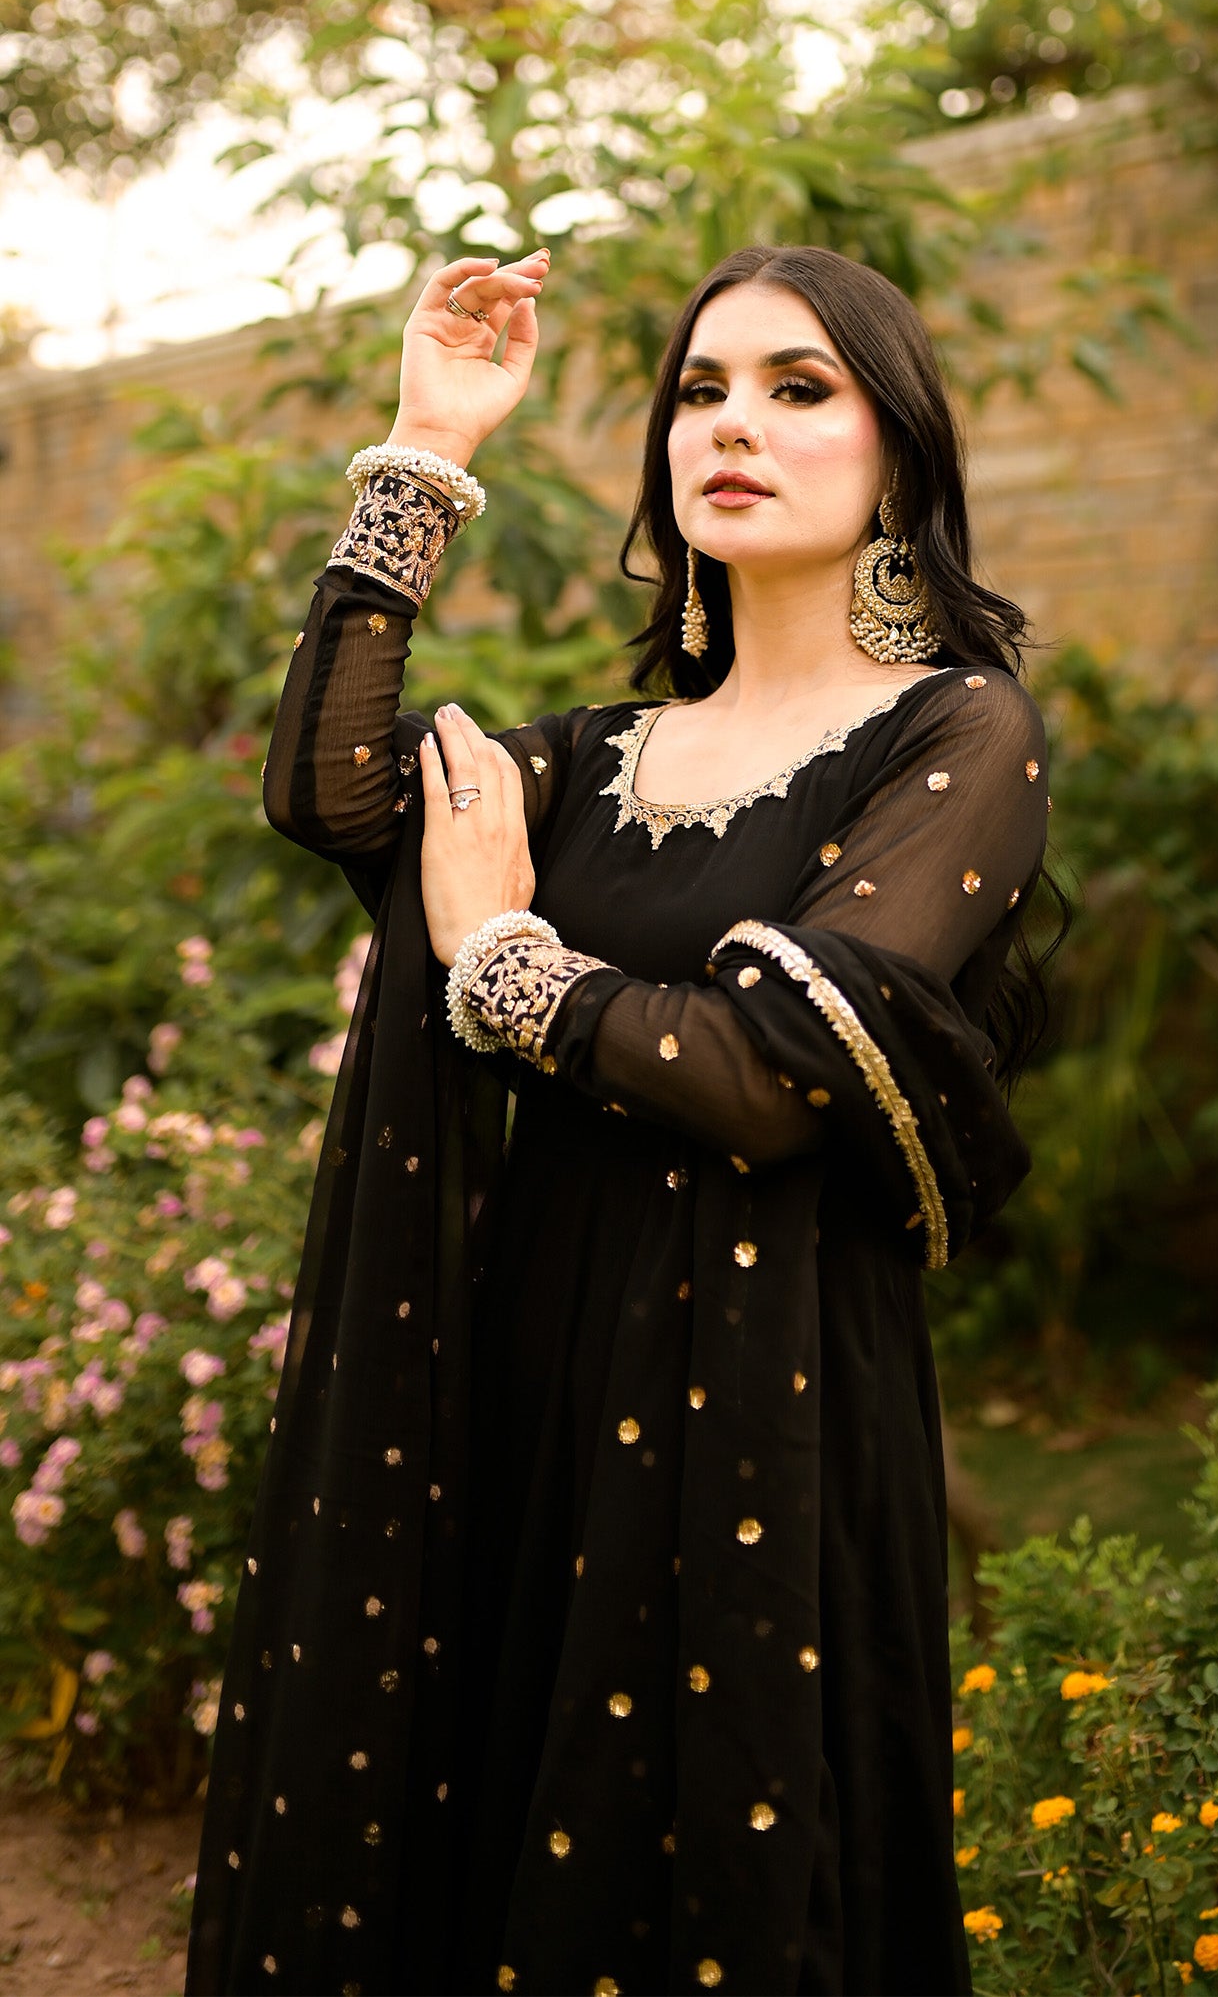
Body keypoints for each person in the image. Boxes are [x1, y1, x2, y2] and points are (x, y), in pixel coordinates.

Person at [186, 241, 1053, 1997]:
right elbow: (331, 790)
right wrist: (428, 448)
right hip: (538, 1358)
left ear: (897, 456)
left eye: (797, 388)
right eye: (699, 390)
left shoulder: (954, 734)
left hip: (768, 1389)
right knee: (512, 1811)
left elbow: (773, 1075)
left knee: (726, 1856)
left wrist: (504, 959)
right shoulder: (595, 757)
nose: (732, 423)